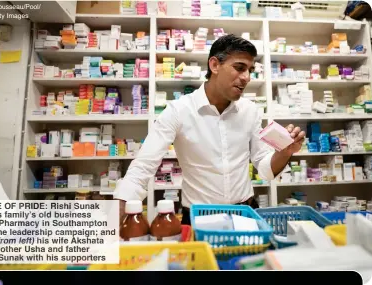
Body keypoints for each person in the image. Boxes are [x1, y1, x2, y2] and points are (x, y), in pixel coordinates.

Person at [114, 34, 305, 225]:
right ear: (214, 65)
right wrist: (119, 212)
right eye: (239, 68)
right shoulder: (178, 111)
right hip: (199, 218)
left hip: (245, 213)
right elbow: (143, 166)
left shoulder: (250, 111)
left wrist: (285, 152)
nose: (246, 77)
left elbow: (264, 168)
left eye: (250, 70)